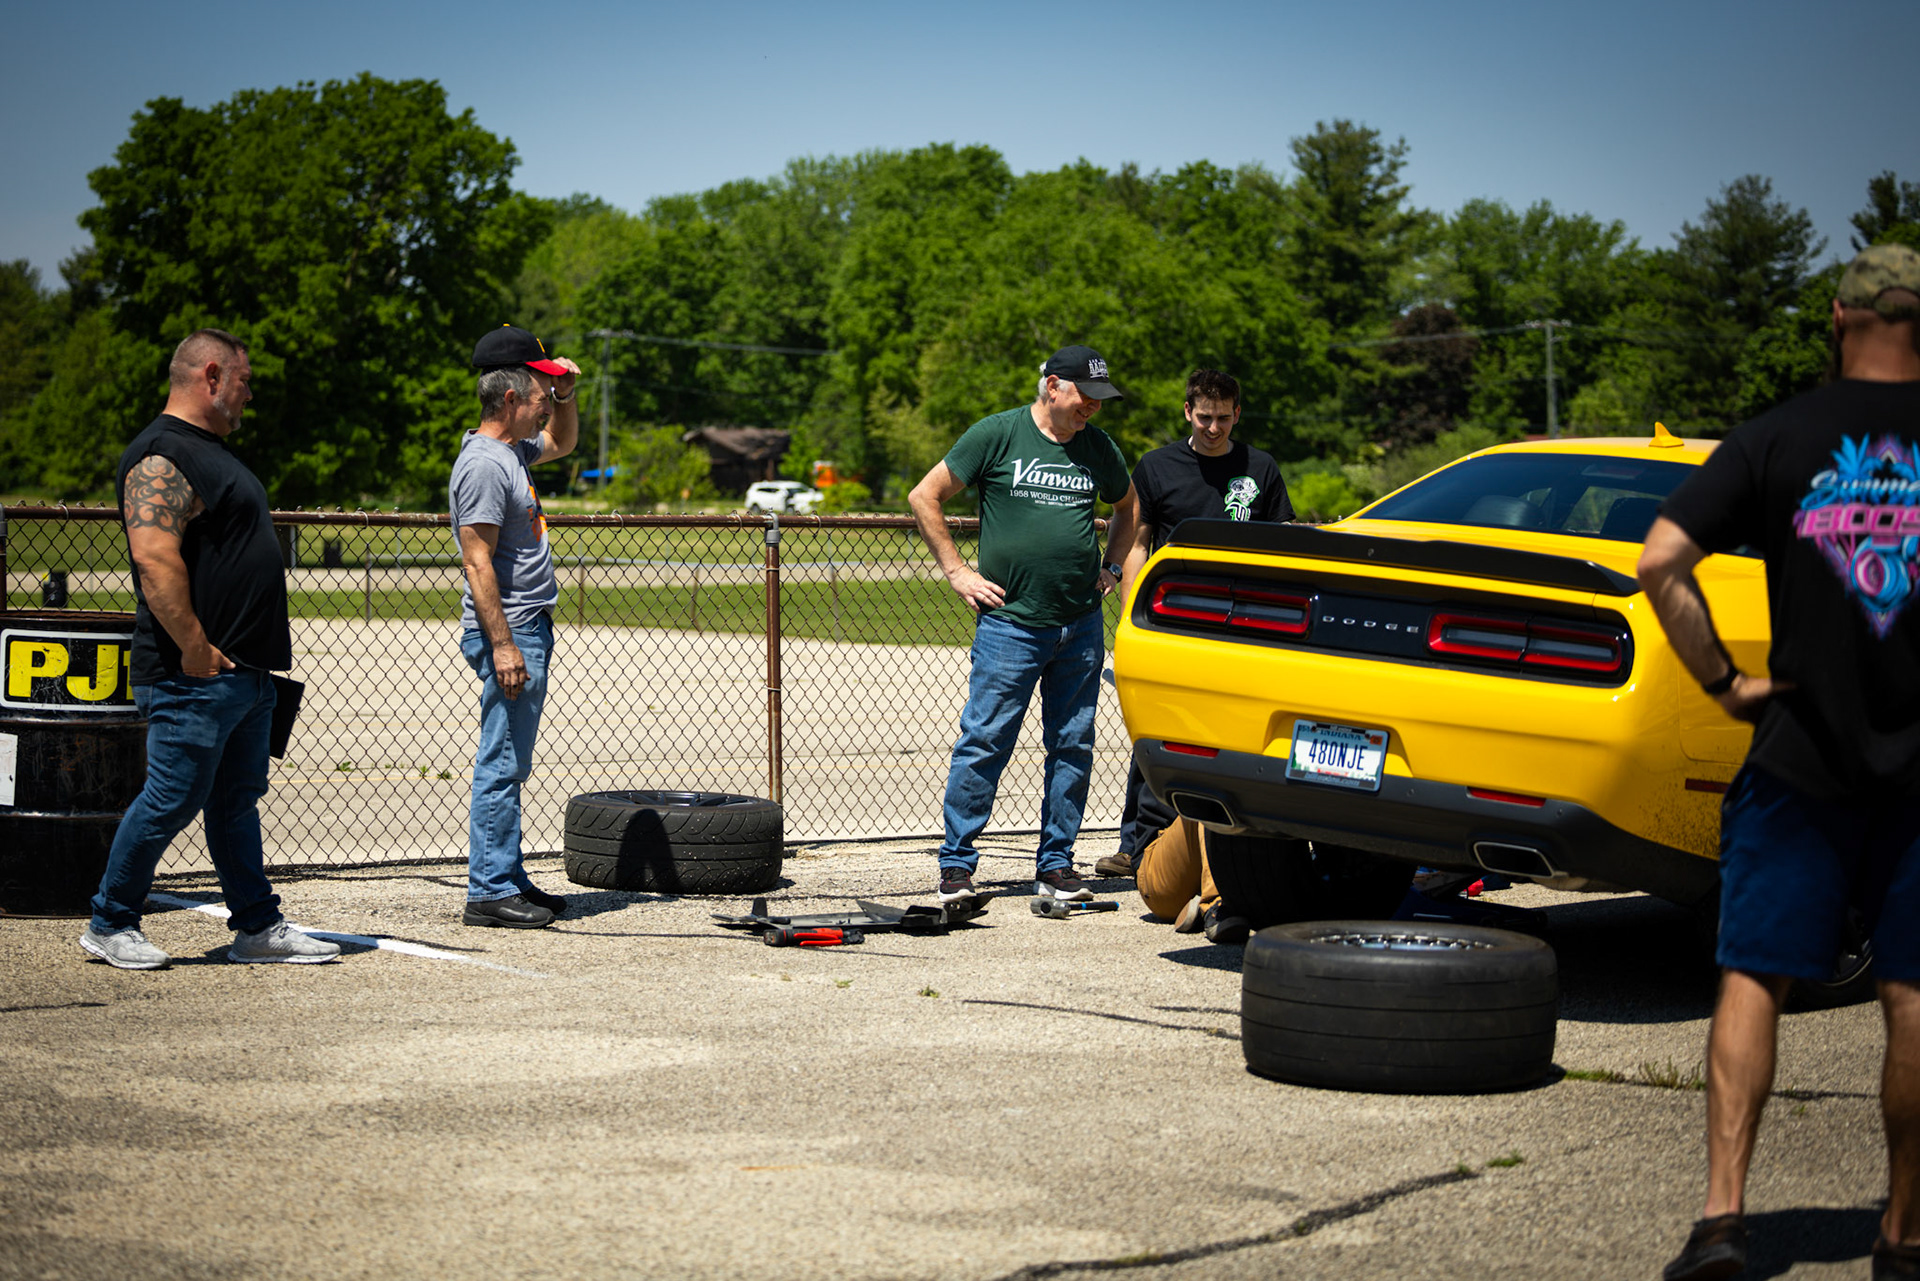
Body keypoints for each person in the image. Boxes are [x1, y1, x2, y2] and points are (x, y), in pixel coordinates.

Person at [1638, 243, 1920, 1281]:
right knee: (1913, 993)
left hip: (1796, 759)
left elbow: (1661, 560)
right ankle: (1903, 1233)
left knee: (1755, 976)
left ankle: (1722, 1221)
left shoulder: (1778, 435)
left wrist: (1725, 683)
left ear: (1839, 319)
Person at [81, 329, 341, 969]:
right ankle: (110, 921)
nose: (250, 395)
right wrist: (194, 647)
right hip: (191, 674)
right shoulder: (162, 453)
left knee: (233, 805)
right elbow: (153, 559)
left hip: (244, 674)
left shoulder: (210, 452)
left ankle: (257, 927)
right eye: (245, 381)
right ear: (212, 375)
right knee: (170, 799)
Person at [910, 345, 1137, 903]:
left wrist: (1112, 567)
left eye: (1100, 400)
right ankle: (957, 865)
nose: (1093, 407)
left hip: (1080, 624)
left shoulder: (1097, 447)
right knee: (985, 741)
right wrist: (957, 571)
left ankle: (1056, 864)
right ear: (1053, 386)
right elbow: (925, 495)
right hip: (1011, 625)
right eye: (1086, 396)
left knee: (1072, 744)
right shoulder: (998, 434)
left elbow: (1128, 507)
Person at [1098, 368, 1292, 944]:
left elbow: (1280, 544)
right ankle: (1138, 845)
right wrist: (1133, 618)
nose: (1213, 428)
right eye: (1204, 417)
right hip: (1175, 623)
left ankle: (1207, 861)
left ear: (1237, 414)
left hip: (1242, 628)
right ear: (1188, 412)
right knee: (1159, 731)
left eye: (1224, 418)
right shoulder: (1157, 467)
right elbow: (1137, 542)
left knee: (1224, 738)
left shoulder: (1260, 468)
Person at [451, 325, 580, 928]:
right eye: (540, 392)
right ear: (509, 399)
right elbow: (477, 561)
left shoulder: (511, 452)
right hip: (512, 629)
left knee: (511, 762)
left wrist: (567, 394)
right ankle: (489, 890)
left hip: (526, 626)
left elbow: (562, 442)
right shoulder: (484, 464)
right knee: (501, 763)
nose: (546, 403)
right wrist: (503, 645)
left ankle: (507, 874)